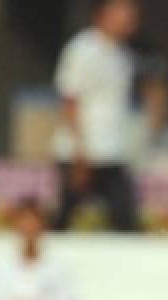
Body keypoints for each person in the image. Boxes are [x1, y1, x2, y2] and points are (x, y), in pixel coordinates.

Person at [52, 0, 149, 231]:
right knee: (64, 220)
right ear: (103, 14)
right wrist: (79, 151)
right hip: (82, 153)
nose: (128, 17)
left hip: (111, 151)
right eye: (121, 10)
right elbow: (70, 101)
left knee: (125, 219)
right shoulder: (82, 50)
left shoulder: (122, 56)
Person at [0, 198, 82, 300]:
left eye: (33, 223)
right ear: (16, 227)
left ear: (42, 226)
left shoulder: (59, 269)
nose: (29, 228)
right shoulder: (0, 267)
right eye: (24, 222)